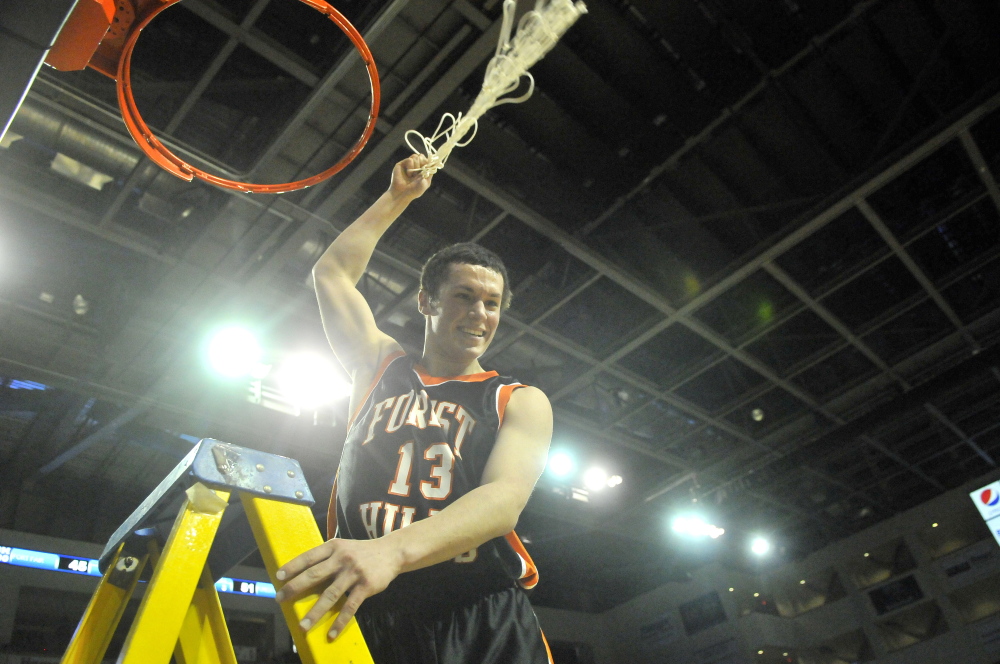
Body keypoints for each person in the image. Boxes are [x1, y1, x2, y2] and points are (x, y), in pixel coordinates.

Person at [273, 153, 554, 663]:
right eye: (464, 296)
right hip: (371, 607)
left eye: (492, 303)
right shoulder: (378, 364)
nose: (479, 313)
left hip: (477, 609)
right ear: (426, 302)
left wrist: (392, 550)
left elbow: (503, 501)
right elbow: (332, 274)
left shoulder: (520, 400)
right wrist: (396, 197)